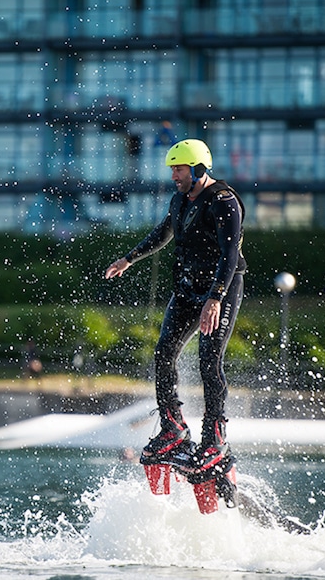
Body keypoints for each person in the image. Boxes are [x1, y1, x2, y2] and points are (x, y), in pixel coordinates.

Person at [104, 138, 246, 470]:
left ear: (198, 168)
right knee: (164, 353)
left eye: (179, 170)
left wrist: (215, 298)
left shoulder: (224, 202)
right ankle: (173, 426)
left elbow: (229, 256)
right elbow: (164, 232)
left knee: (209, 362)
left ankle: (215, 439)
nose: (174, 176)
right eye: (172, 170)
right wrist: (129, 258)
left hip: (218, 291)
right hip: (186, 289)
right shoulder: (180, 199)